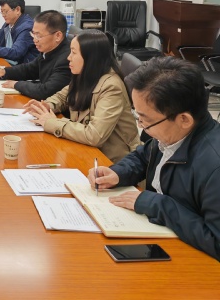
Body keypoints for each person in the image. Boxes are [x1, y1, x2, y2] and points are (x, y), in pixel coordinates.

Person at [88, 57, 220, 261]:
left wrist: (157, 205)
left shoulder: (214, 166)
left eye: (145, 120)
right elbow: (144, 157)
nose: (141, 126)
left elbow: (216, 242)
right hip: (159, 241)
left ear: (184, 119)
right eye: (138, 117)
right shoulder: (171, 134)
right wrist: (117, 173)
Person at [24, 30, 140, 162]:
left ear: (90, 57)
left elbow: (94, 135)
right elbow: (62, 97)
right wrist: (46, 106)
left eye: (74, 53)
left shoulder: (112, 87)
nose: (68, 57)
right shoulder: (86, 73)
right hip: (86, 151)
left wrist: (52, 123)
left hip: (111, 162)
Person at [0, 10, 71, 100]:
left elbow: (46, 91)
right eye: (33, 34)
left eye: (39, 36)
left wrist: (16, 84)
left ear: (58, 36)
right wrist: (4, 71)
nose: (34, 40)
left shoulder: (68, 58)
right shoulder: (49, 49)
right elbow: (29, 69)